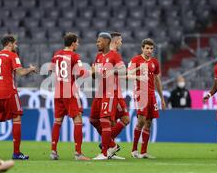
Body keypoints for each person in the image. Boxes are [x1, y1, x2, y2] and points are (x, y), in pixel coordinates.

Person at [0, 36, 38, 160]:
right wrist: (31, 69)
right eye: (15, 44)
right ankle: (16, 153)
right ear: (9, 44)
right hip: (9, 91)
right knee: (17, 117)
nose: (16, 46)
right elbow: (20, 72)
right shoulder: (12, 55)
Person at [50, 32, 90, 161]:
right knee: (78, 120)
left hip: (58, 91)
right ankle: (78, 153)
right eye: (77, 42)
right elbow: (82, 72)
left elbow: (51, 69)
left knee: (57, 121)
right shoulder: (74, 55)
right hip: (70, 91)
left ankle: (53, 152)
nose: (78, 44)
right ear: (73, 43)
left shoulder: (56, 54)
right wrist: (92, 71)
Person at [90, 32, 126, 160]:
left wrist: (110, 70)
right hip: (99, 92)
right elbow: (95, 75)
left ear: (106, 41)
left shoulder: (114, 55)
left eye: (99, 41)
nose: (97, 43)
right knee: (93, 120)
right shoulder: (98, 57)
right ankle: (111, 144)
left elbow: (123, 70)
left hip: (110, 93)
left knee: (105, 121)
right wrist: (93, 73)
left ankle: (104, 153)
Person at [128, 38, 166, 159]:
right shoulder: (136, 60)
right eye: (147, 48)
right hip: (140, 93)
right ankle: (134, 150)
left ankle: (143, 152)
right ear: (142, 48)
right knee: (141, 121)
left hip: (151, 94)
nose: (149, 50)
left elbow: (157, 80)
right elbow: (128, 74)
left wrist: (162, 98)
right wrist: (138, 75)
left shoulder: (155, 62)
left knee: (149, 122)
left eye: (151, 48)